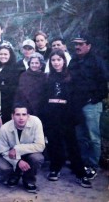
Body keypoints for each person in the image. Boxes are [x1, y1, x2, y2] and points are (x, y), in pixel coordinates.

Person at [44, 50, 92, 188]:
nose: (56, 62)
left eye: (59, 60)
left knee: (72, 144)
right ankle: (55, 168)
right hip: (52, 114)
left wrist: (73, 114)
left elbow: (76, 97)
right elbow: (44, 97)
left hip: (67, 114)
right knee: (54, 142)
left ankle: (80, 173)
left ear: (64, 61)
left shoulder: (71, 77)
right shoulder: (47, 77)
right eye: (53, 60)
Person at [68, 34, 108, 178]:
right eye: (76, 44)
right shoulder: (73, 61)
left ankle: (93, 166)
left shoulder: (97, 62)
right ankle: (83, 163)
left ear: (89, 45)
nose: (77, 47)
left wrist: (94, 99)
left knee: (93, 137)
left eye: (81, 44)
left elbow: (104, 84)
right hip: (76, 105)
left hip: (91, 105)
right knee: (80, 137)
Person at [0, 103, 45, 193]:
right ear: (12, 116)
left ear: (28, 116)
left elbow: (41, 145)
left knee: (37, 158)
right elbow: (3, 151)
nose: (21, 118)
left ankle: (29, 180)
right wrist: (18, 162)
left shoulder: (36, 122)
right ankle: (15, 175)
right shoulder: (4, 128)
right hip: (11, 156)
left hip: (30, 154)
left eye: (24, 114)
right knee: (0, 166)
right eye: (18, 114)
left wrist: (17, 149)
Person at [15, 52, 46, 117]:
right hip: (25, 108)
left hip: (40, 109)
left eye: (36, 63)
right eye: (32, 63)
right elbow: (19, 93)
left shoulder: (44, 77)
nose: (34, 65)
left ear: (41, 65)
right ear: (29, 64)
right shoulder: (23, 75)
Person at [0, 45, 18, 122]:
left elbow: (13, 90)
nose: (3, 56)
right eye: (1, 54)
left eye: (5, 54)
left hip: (7, 105)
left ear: (10, 55)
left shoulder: (14, 69)